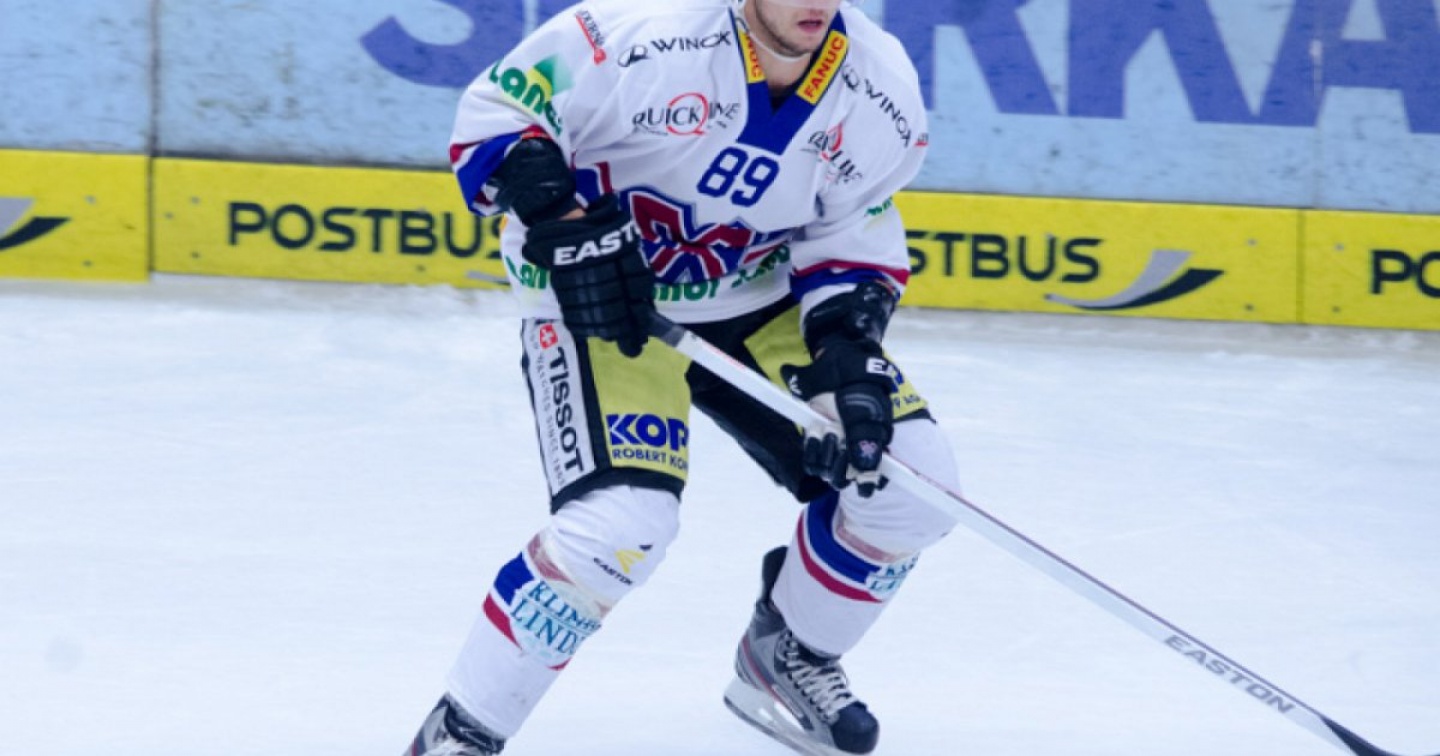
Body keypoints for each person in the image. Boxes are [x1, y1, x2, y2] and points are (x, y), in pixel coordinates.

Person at [405, 0, 961, 753]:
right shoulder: (639, 29)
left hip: (761, 299)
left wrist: (846, 359)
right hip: (603, 302)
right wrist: (564, 222)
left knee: (912, 487)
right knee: (620, 529)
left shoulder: (879, 85)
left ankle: (789, 654)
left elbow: (850, 236)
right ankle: (461, 732)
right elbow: (498, 116)